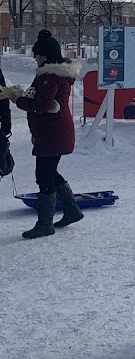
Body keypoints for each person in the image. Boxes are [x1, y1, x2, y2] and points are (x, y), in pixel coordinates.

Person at [0, 34, 82, 239]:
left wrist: (16, 98)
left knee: (43, 175)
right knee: (51, 171)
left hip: (51, 133)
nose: (35, 59)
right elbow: (45, 100)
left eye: (36, 55)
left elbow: (40, 106)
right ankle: (71, 211)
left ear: (44, 56)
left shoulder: (48, 77)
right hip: (56, 131)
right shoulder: (56, 74)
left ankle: (45, 223)